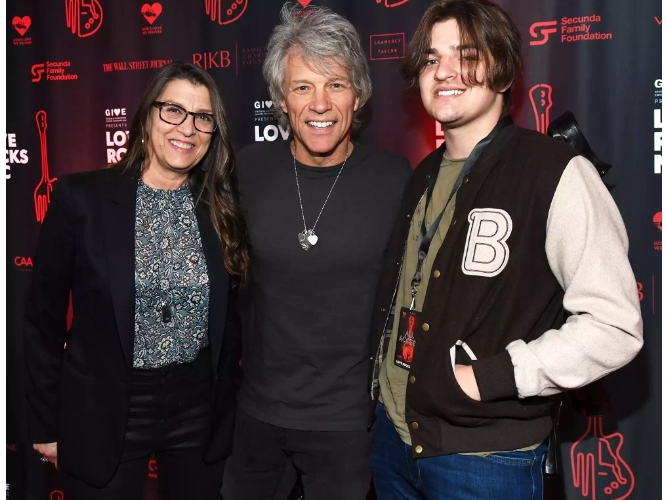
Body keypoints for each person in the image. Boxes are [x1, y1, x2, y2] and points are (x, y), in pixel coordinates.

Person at [368, 0, 644, 498]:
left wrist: (490, 377)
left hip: (485, 460)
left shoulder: (554, 171)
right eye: (431, 59)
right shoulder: (423, 175)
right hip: (395, 441)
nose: (444, 71)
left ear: (502, 67)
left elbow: (615, 325)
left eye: (465, 54)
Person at [24, 62, 248, 500]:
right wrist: (45, 426)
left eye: (203, 117)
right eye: (173, 111)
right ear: (147, 116)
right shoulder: (81, 198)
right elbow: (41, 322)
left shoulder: (221, 209)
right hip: (106, 407)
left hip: (196, 409)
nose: (188, 127)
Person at [221, 3, 412, 500]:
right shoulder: (249, 169)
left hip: (347, 424)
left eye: (336, 85)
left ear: (359, 96)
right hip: (257, 414)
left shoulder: (395, 179)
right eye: (302, 86)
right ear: (281, 99)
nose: (319, 103)